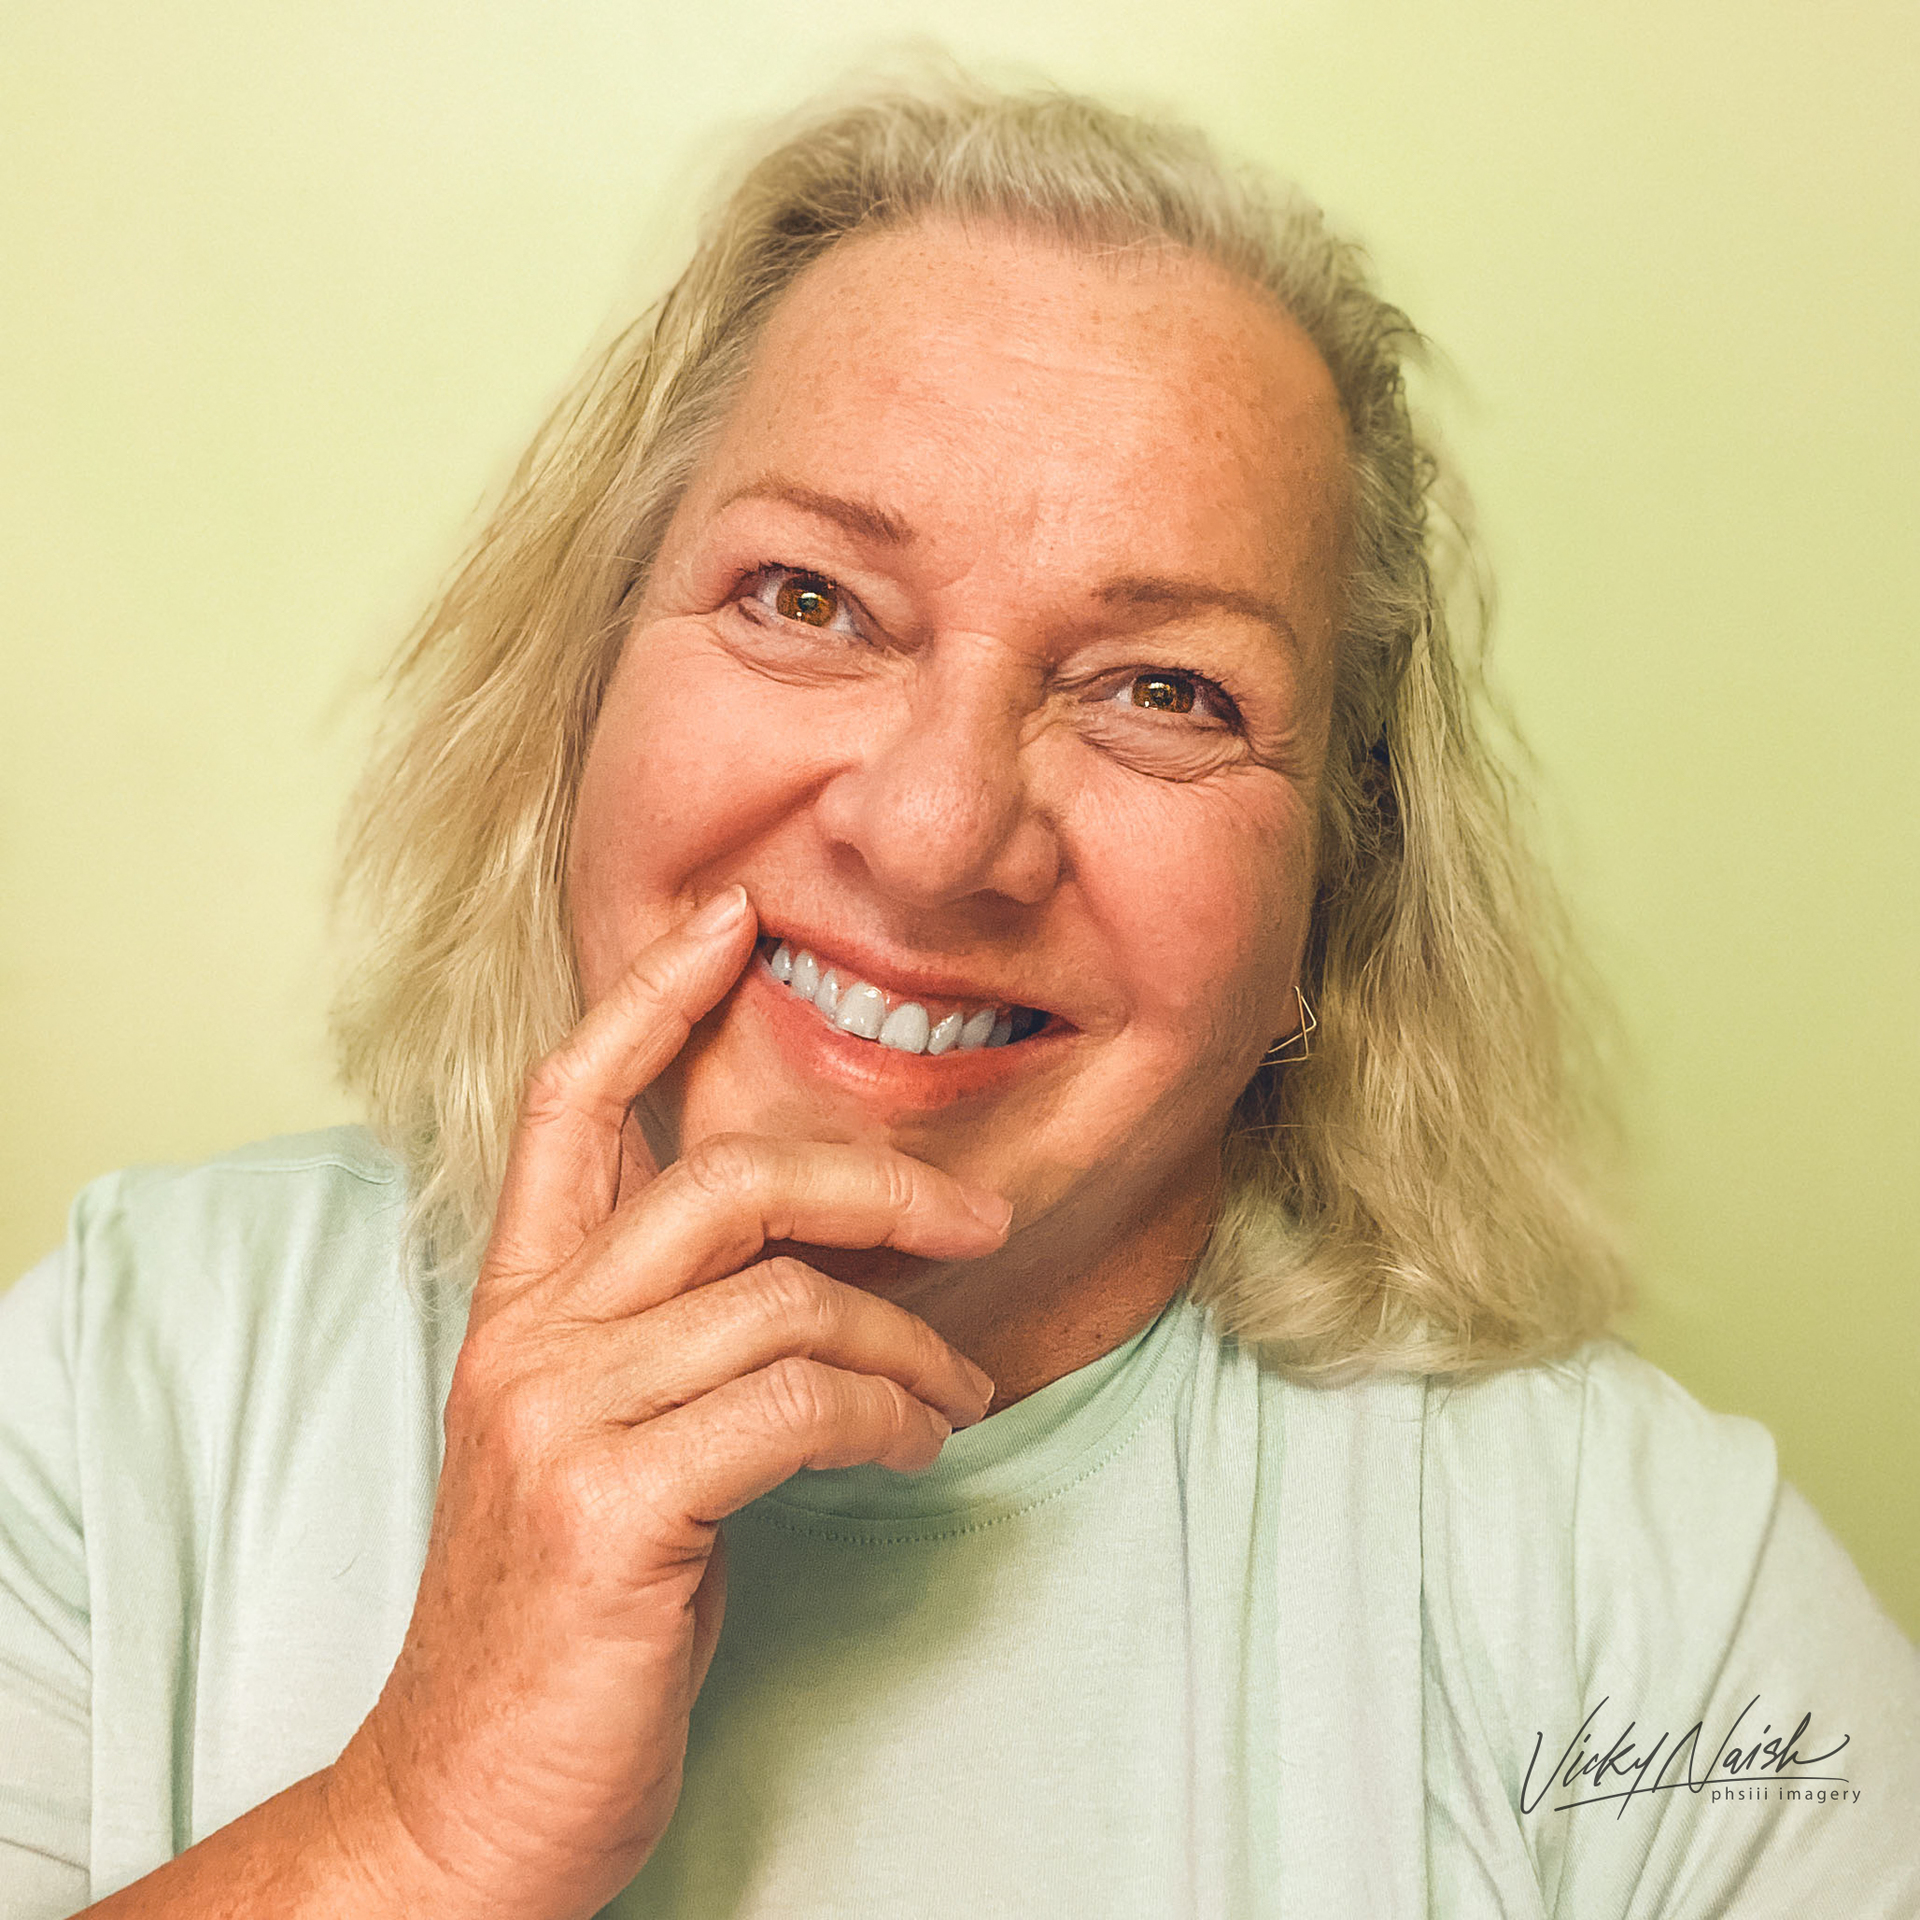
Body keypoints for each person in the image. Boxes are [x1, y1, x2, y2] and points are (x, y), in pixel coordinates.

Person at [1, 74, 1914, 1920]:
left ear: (1339, 885)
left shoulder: (1643, 1591)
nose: (930, 834)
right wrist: (415, 1836)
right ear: (583, 693)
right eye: (811, 599)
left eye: (1166, 691)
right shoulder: (130, 1374)